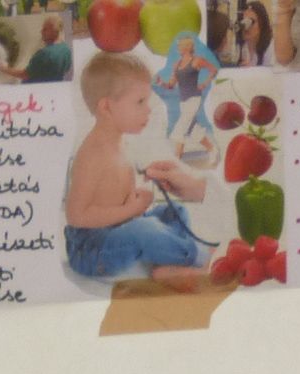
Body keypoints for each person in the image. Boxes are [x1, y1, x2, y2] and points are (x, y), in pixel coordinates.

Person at [62, 53, 212, 290]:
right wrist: (131, 209)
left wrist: (143, 182)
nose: (148, 110)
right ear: (106, 107)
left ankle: (167, 265)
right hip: (91, 248)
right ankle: (199, 258)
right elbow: (76, 216)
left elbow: (115, 190)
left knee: (174, 212)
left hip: (120, 228)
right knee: (145, 230)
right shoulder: (92, 154)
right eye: (140, 102)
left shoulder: (120, 141)